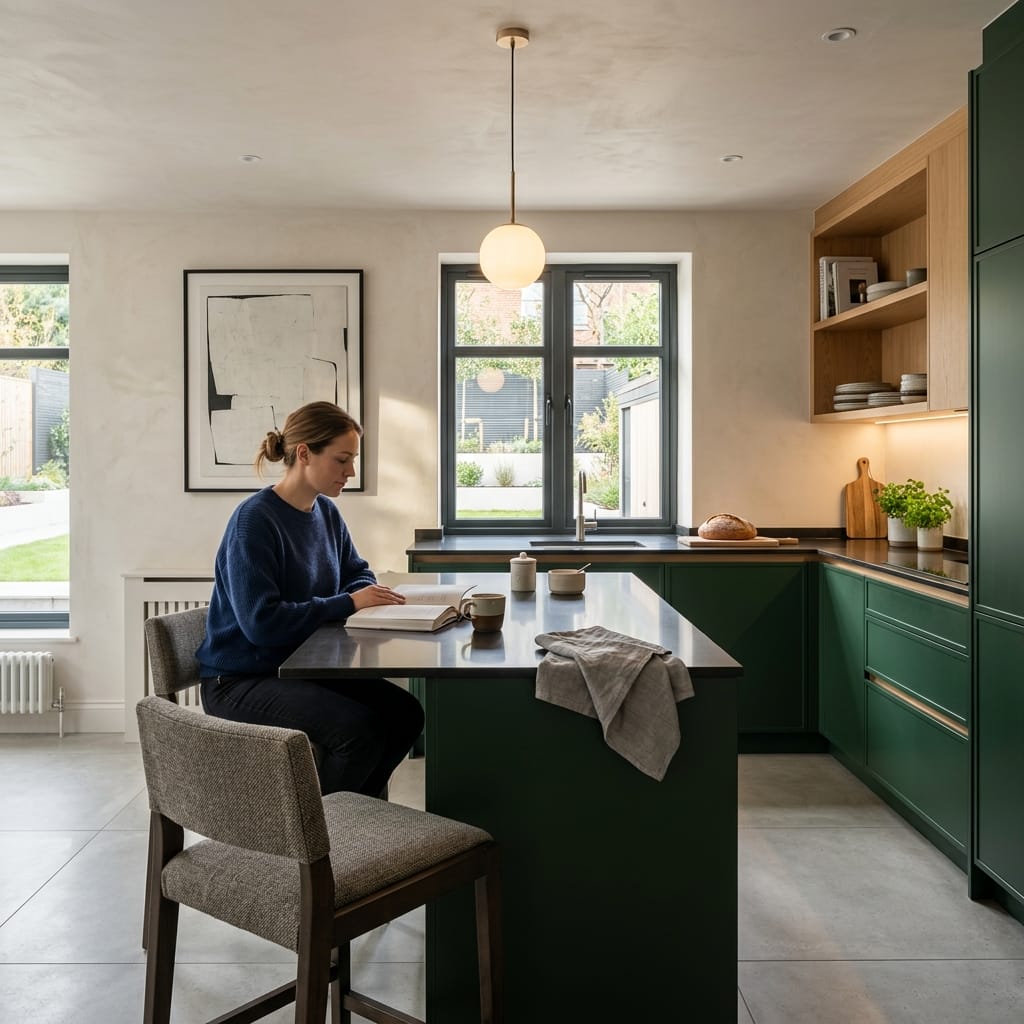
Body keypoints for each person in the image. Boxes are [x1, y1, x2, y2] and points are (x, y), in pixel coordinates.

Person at [196, 401, 424, 797]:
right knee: (359, 732)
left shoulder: (326, 513)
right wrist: (348, 603)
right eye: (342, 460)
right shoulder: (254, 522)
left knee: (405, 714)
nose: (351, 472)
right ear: (304, 454)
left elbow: (358, 572)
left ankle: (358, 819)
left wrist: (358, 593)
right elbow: (263, 624)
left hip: (297, 666)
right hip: (241, 679)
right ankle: (313, 839)